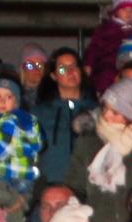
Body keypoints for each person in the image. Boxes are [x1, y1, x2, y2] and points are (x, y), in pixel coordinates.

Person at [65, 73, 132, 222]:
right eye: (105, 108)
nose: (106, 115)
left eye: (115, 112)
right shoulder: (88, 140)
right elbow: (75, 185)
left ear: (130, 115)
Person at [32, 48, 96, 188]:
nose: (70, 72)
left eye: (74, 66)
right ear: (53, 76)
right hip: (50, 188)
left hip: (88, 189)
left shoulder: (97, 112)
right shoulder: (39, 114)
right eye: (62, 69)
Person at [0, 74, 43, 200]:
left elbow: (0, 150)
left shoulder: (12, 121)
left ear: (16, 102)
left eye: (9, 97)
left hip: (16, 174)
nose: (3, 101)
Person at [86, 0, 132, 95]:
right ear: (115, 12)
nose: (128, 13)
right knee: (106, 76)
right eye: (124, 9)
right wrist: (89, 64)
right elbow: (94, 48)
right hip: (109, 65)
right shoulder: (106, 29)